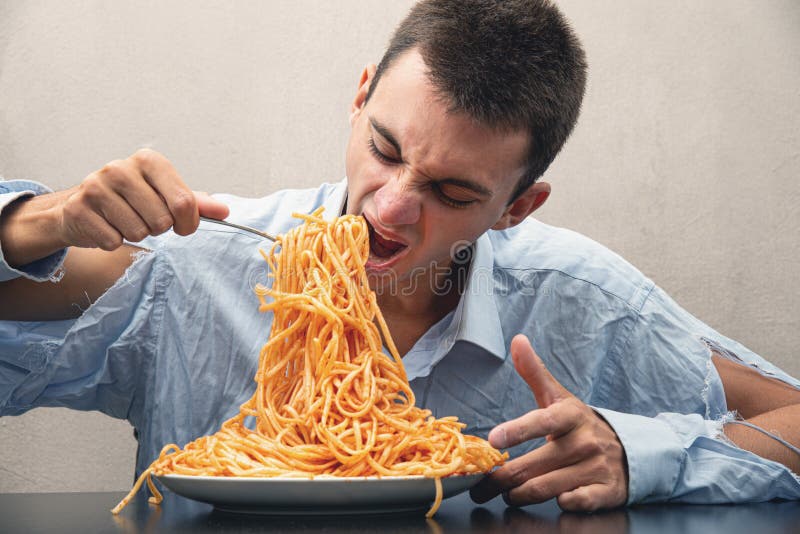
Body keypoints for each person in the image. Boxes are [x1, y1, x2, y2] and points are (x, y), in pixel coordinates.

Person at [1, 0, 798, 512]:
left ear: (517, 208)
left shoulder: (577, 300)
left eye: (453, 193)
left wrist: (641, 453)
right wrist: (38, 223)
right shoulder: (194, 265)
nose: (387, 209)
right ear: (358, 100)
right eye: (384, 148)